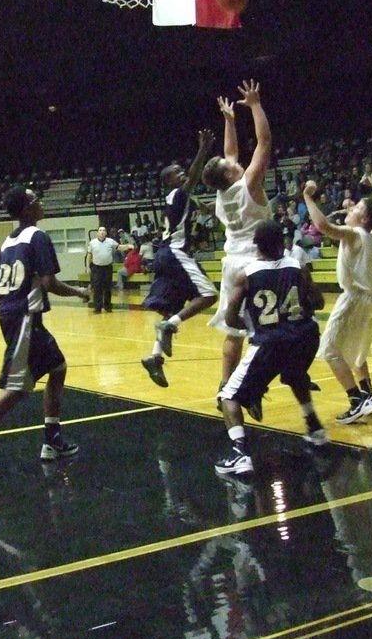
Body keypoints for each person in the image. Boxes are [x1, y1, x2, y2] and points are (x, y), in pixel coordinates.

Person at [0, 186, 90, 480]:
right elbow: (49, 282)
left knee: (58, 368)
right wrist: (78, 292)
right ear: (26, 210)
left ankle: (52, 438)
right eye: (35, 199)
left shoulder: (7, 242)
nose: (41, 202)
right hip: (24, 315)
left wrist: (10, 306)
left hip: (13, 313)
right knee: (18, 385)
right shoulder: (37, 236)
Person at [214, 221, 329, 476]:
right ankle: (315, 429)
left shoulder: (246, 275)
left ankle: (240, 453)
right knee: (296, 376)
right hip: (306, 338)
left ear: (256, 245)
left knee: (228, 397)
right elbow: (319, 302)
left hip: (271, 342)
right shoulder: (298, 267)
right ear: (282, 242)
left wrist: (255, 327)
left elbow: (231, 318)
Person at [200, 80, 274, 413]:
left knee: (233, 333)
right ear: (231, 176)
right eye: (233, 166)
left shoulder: (221, 192)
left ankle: (224, 385)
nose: (236, 162)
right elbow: (265, 141)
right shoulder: (249, 184)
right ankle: (251, 390)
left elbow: (230, 154)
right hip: (257, 265)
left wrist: (230, 120)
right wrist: (255, 105)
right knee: (266, 333)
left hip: (232, 264)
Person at [139, 129, 220, 388]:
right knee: (209, 295)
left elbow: (206, 207)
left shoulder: (184, 199)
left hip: (166, 254)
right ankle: (169, 327)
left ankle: (154, 357)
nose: (182, 171)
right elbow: (194, 178)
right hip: (174, 252)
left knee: (172, 308)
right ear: (169, 180)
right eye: (176, 171)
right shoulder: (178, 194)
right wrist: (203, 150)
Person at [302, 181, 372, 424]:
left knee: (329, 349)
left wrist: (308, 197)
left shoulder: (355, 234)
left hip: (355, 298)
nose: (350, 208)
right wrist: (350, 210)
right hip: (371, 298)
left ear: (365, 217)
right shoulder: (367, 236)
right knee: (355, 347)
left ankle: (355, 400)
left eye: (357, 207)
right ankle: (368, 393)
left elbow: (321, 226)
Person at [84, 226, 126, 313]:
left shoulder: (110, 241)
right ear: (97, 233)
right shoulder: (92, 243)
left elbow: (120, 247)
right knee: (97, 288)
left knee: (107, 288)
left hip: (107, 267)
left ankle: (107, 306)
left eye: (104, 230)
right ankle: (97, 307)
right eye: (100, 230)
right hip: (96, 268)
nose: (102, 232)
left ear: (106, 233)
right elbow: (89, 256)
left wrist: (128, 246)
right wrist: (87, 267)